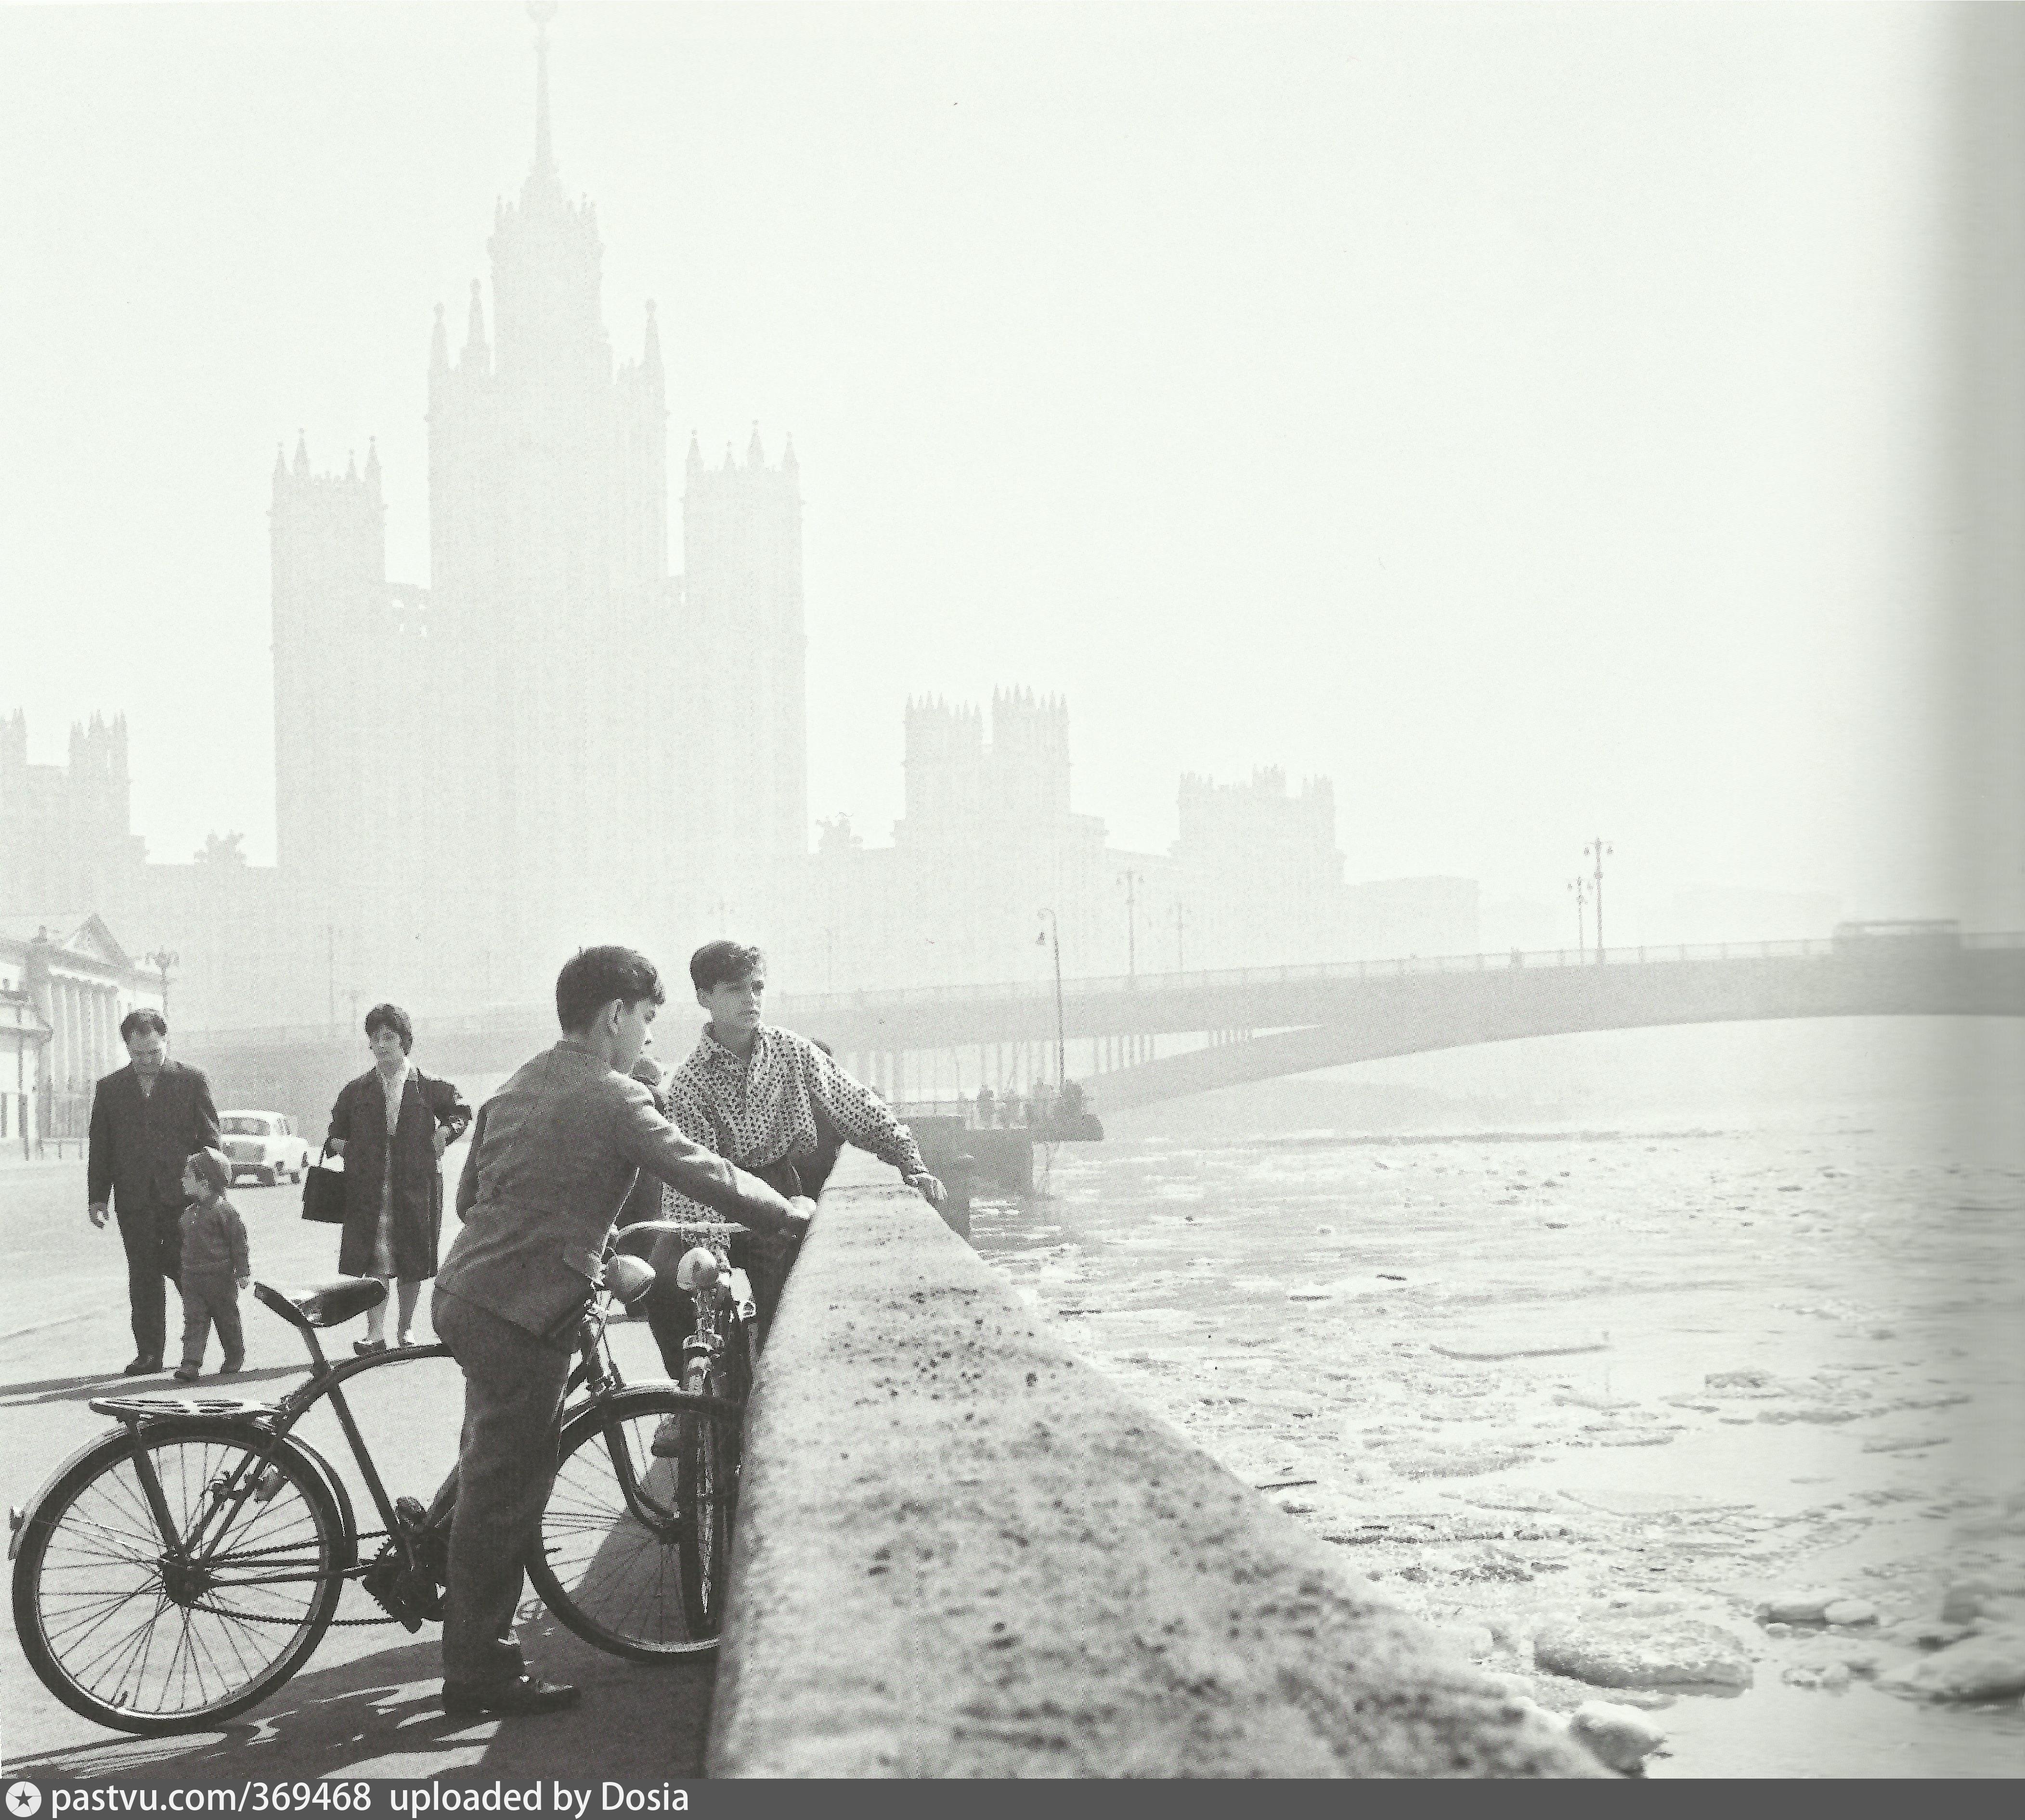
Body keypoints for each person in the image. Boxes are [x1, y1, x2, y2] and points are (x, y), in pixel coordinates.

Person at [430, 944, 812, 1720]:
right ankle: (477, 1670)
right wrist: (787, 1211)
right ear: (614, 1015)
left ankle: (425, 1571)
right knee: (504, 1495)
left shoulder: (514, 1086)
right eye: (643, 1019)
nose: (645, 1038)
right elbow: (701, 1170)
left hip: (467, 1292)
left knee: (487, 1463)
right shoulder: (615, 1098)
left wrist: (571, 1241)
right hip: (521, 1314)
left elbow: (471, 1198)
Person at [651, 940, 945, 1345]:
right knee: (666, 1282)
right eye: (736, 990)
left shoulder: (792, 1052)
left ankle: (772, 1380)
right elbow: (694, 1177)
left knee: (784, 1299)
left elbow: (856, 1104)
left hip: (778, 1189)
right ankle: (697, 1394)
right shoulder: (688, 1083)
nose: (751, 999)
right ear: (705, 997)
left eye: (757, 988)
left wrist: (911, 1162)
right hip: (716, 1193)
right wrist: (713, 1258)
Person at [326, 1004, 471, 1353]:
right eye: (375, 1039)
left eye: (389, 1037)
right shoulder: (358, 1089)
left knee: (412, 1259)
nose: (382, 1045)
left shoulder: (429, 1086)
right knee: (376, 1258)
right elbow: (335, 1128)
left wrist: (447, 1132)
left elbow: (462, 1113)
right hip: (371, 1187)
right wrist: (339, 1143)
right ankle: (375, 1334)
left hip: (417, 1185)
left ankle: (405, 1330)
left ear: (405, 1041)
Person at [87, 1008, 221, 1375]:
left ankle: (203, 1345)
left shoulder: (192, 1080)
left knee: (188, 1272)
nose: (146, 1061)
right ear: (127, 1048)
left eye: (153, 1052)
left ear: (166, 1041)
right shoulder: (110, 1088)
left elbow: (211, 1139)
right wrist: (98, 1197)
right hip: (134, 1200)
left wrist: (210, 1191)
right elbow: (101, 1145)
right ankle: (149, 1354)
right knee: (143, 1276)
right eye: (137, 1054)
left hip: (183, 1199)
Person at [173, 1147, 249, 1383]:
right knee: (194, 1318)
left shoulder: (224, 1211)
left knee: (226, 1317)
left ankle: (235, 1354)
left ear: (204, 1182)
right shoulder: (191, 1211)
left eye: (188, 1176)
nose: (183, 1180)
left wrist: (243, 1271)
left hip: (219, 1275)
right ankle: (191, 1363)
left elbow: (239, 1243)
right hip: (192, 1276)